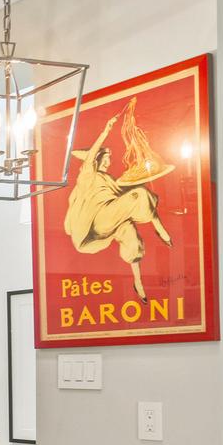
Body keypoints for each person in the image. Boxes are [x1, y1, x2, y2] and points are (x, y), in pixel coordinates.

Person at [62, 107, 173, 301]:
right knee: (138, 195)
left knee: (130, 231)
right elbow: (90, 159)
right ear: (96, 161)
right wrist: (106, 131)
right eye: (104, 159)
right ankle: (159, 228)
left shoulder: (111, 180)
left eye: (109, 159)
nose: (107, 163)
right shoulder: (88, 176)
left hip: (110, 221)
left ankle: (138, 282)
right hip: (99, 222)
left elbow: (126, 192)